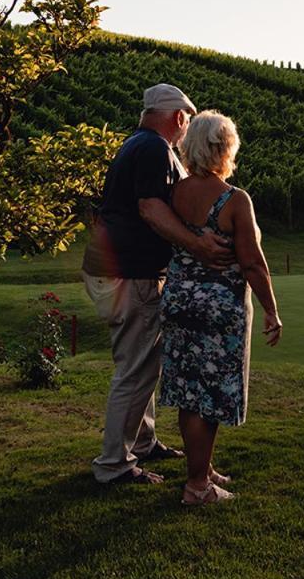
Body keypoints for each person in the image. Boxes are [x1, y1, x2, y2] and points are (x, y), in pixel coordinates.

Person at [82, 84, 236, 486]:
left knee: (145, 365)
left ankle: (145, 442)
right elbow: (150, 209)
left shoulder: (136, 143)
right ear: (180, 118)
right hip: (130, 274)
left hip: (116, 269)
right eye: (186, 122)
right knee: (134, 371)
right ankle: (113, 464)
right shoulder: (154, 149)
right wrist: (199, 245)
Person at [159, 110, 283, 506]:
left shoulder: (174, 193)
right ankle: (197, 485)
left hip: (178, 301)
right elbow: (252, 263)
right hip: (218, 309)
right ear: (225, 148)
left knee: (187, 391)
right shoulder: (234, 200)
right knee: (209, 396)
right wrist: (271, 310)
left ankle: (202, 468)